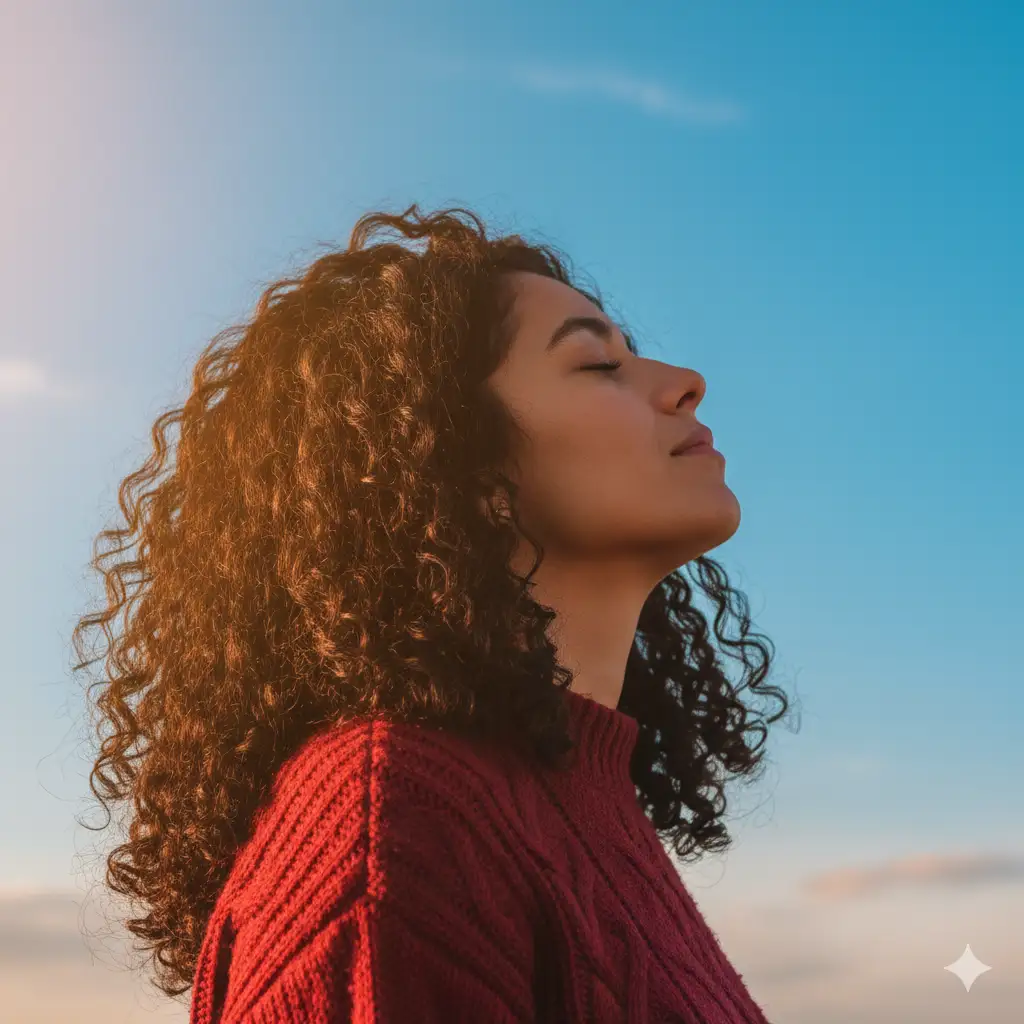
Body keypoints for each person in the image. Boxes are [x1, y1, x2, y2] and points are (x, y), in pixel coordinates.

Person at [72, 204, 795, 1022]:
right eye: (598, 365)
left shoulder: (572, 798)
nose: (682, 382)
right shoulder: (389, 823)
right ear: (462, 468)